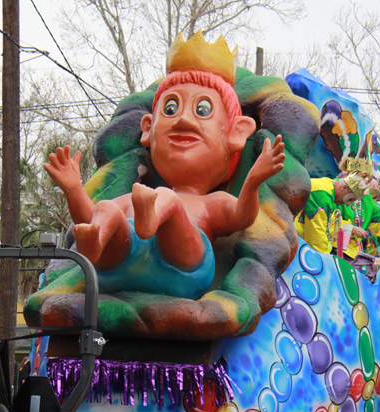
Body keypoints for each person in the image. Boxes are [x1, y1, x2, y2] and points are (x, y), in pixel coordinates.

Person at [45, 33, 285, 301]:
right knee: (107, 209)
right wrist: (73, 189)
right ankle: (94, 247)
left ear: (236, 133)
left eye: (202, 109)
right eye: (170, 108)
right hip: (120, 267)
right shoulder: (137, 196)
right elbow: (88, 216)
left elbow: (243, 216)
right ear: (147, 128)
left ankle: (154, 219)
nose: (182, 119)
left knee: (167, 199)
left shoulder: (210, 203)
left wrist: (254, 179)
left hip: (181, 272)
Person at [296, 157, 380, 266]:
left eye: (367, 180)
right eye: (361, 178)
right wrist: (350, 229)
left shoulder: (367, 201)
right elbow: (323, 229)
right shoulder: (331, 193)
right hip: (334, 251)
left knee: (379, 264)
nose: (363, 184)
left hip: (356, 255)